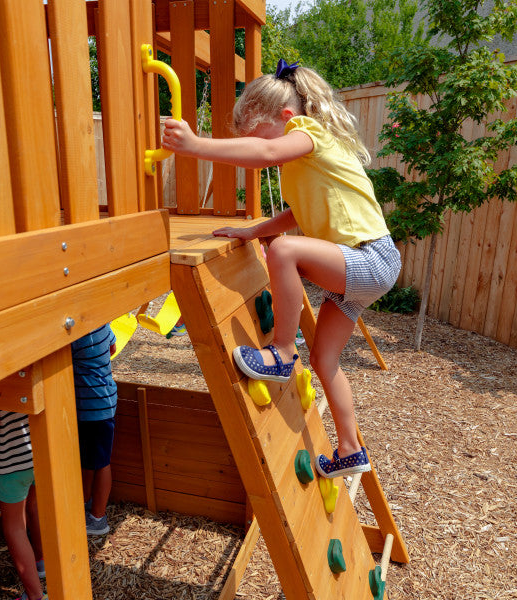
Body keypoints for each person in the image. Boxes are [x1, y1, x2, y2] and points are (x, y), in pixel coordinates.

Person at [162, 59, 401, 479]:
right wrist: (256, 230)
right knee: (326, 360)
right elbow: (297, 212)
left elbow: (266, 152)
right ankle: (350, 449)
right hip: (360, 272)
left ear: (287, 119)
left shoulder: (308, 133)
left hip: (370, 258)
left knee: (285, 252)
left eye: (256, 135)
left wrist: (196, 145)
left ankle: (282, 352)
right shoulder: (303, 165)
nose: (259, 148)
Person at [0, 408, 47, 600]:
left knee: (14, 528)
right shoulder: (25, 375)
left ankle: (35, 596)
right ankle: (40, 562)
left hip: (10, 462)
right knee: (34, 507)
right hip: (37, 452)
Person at [71, 323, 118, 535]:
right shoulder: (102, 326)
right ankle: (90, 507)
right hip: (105, 400)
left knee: (97, 464)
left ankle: (98, 518)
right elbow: (113, 348)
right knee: (95, 461)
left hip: (92, 407)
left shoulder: (76, 336)